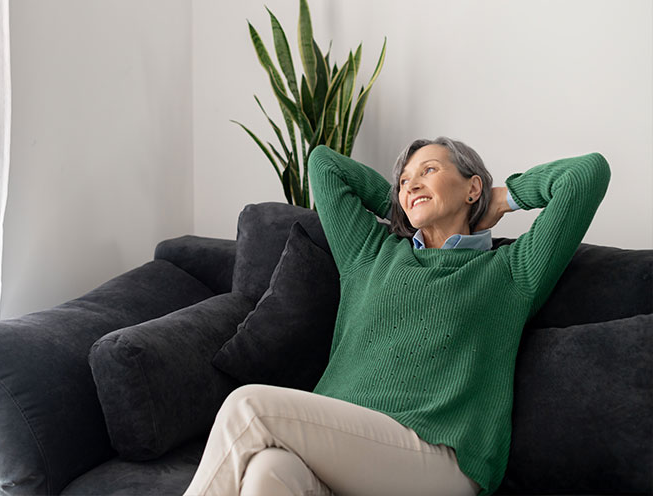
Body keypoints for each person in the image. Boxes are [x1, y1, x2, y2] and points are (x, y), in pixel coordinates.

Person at [183, 137, 611, 496]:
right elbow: (324, 164)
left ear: (472, 187)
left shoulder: (511, 271)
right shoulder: (369, 254)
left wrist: (504, 198)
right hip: (344, 452)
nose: (412, 183)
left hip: (439, 456)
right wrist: (402, 201)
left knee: (249, 408)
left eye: (428, 171)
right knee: (268, 472)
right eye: (404, 180)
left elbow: (588, 173)